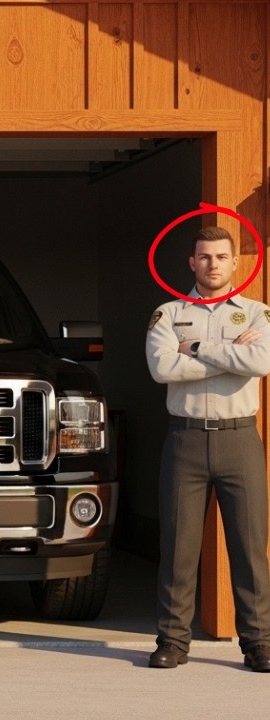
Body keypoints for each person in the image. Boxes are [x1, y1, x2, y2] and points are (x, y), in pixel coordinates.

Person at [145, 225, 270, 672]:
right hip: (186, 439)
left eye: (221, 256)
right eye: (204, 257)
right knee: (178, 548)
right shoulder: (168, 313)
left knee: (250, 547)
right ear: (191, 263)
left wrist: (196, 347)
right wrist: (227, 356)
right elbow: (162, 367)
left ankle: (259, 643)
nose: (212, 264)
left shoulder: (258, 313)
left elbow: (261, 362)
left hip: (240, 440)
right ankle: (172, 642)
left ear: (235, 263)